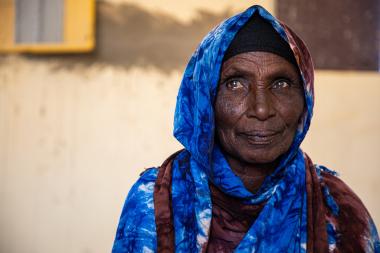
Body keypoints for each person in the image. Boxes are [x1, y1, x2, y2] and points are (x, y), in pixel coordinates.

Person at [112, 5, 379, 253]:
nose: (262, 110)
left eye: (282, 84)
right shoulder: (156, 203)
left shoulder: (338, 209)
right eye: (235, 84)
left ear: (305, 100)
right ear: (205, 101)